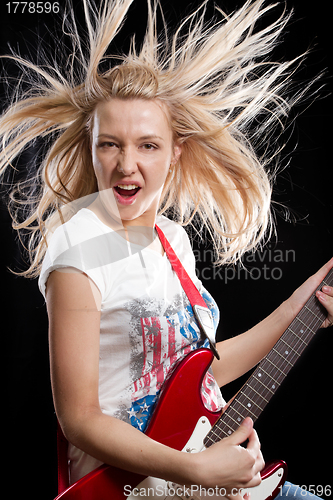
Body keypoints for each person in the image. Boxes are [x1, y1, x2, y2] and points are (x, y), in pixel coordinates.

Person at [0, 0, 332, 498]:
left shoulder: (172, 241)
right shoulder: (76, 250)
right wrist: (198, 471)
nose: (125, 164)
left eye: (147, 145)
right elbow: (80, 420)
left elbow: (200, 373)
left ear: (176, 150)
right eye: (109, 144)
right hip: (130, 488)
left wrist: (298, 308)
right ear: (90, 145)